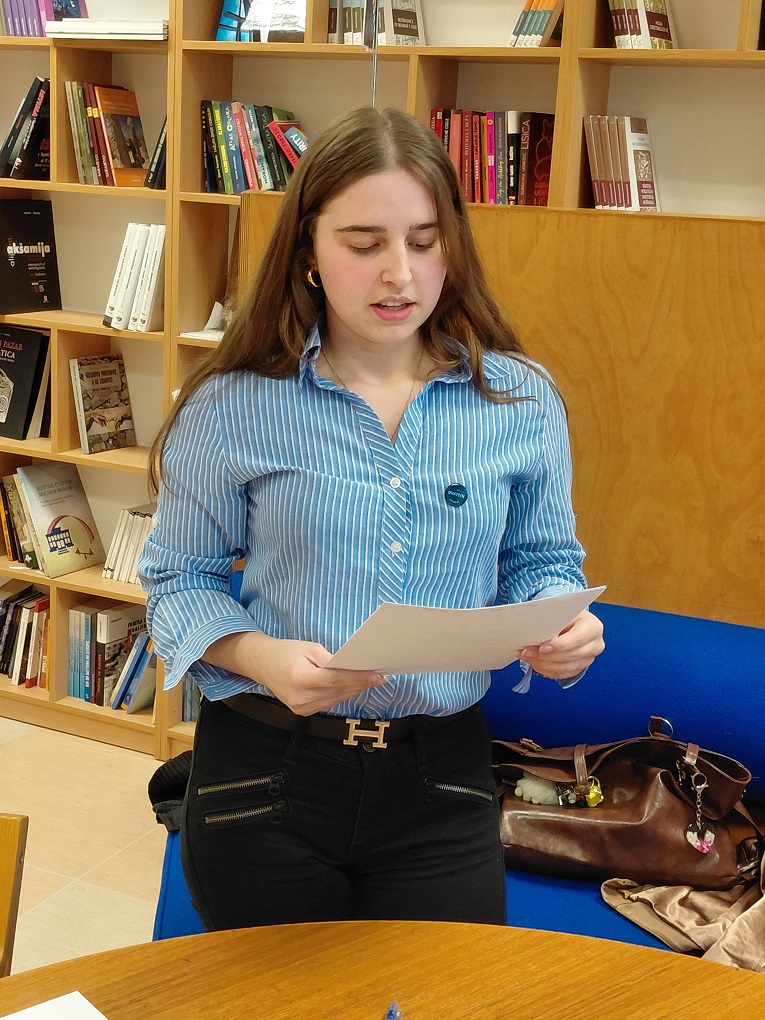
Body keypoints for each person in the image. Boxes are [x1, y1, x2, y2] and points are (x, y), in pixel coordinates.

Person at [139, 106, 605, 932]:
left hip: (440, 771)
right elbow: (179, 580)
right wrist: (260, 656)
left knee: (441, 991)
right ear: (308, 253)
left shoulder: (521, 399)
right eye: (363, 245)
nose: (400, 275)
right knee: (281, 998)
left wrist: (560, 623)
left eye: (424, 242)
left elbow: (541, 561)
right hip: (266, 764)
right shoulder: (233, 405)